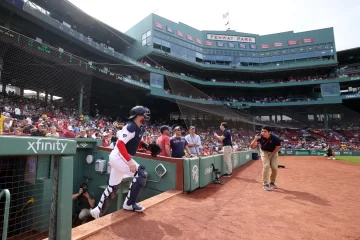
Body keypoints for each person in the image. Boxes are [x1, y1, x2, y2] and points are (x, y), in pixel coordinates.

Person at [90, 106, 153, 219]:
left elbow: (136, 141)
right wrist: (130, 162)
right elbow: (120, 144)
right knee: (141, 174)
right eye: (144, 114)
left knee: (113, 187)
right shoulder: (131, 127)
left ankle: (97, 210)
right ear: (138, 116)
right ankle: (129, 204)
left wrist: (147, 146)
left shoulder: (140, 128)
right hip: (119, 156)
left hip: (119, 157)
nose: (146, 117)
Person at [250, 126, 281, 191]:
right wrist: (255, 139)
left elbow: (277, 147)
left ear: (269, 132)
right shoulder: (259, 136)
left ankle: (272, 182)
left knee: (274, 167)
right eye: (262, 131)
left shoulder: (275, 138)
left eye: (265, 131)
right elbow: (252, 147)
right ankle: (265, 184)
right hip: (264, 151)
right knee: (266, 166)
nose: (263, 133)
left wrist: (271, 155)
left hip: (274, 152)